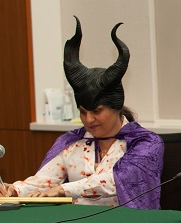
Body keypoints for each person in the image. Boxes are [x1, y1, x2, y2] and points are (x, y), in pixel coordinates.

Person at [0, 16, 164, 209]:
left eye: (97, 111)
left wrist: (64, 189)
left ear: (116, 107)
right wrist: (16, 190)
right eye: (83, 112)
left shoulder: (145, 143)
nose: (89, 119)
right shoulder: (72, 143)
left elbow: (118, 180)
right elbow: (46, 181)